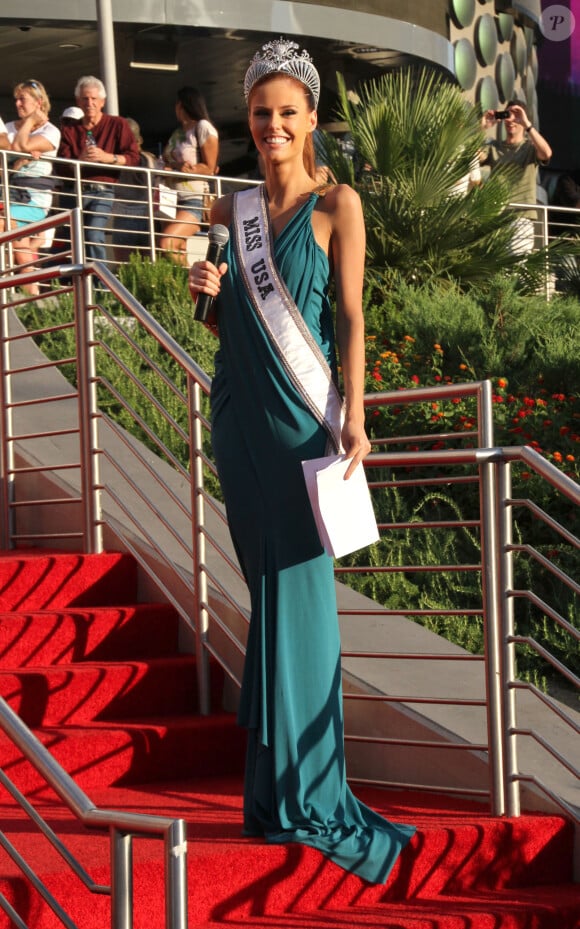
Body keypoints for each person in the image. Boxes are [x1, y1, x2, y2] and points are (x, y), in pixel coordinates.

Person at [188, 37, 415, 884]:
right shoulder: (234, 210)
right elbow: (231, 324)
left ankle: (309, 794)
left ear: (312, 117)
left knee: (302, 599)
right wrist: (208, 298)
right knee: (270, 598)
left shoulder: (338, 204)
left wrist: (356, 414)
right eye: (261, 112)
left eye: (288, 111)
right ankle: (275, 795)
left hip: (303, 428)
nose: (273, 124)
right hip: (239, 418)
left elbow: (350, 316)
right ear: (247, 119)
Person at [57, 76, 140, 261]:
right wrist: (79, 161)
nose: (89, 103)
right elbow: (60, 166)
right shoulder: (70, 129)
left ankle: (100, 278)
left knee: (93, 235)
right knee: (74, 242)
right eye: (85, 99)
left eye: (94, 98)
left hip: (103, 190)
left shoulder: (118, 124)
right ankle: (81, 278)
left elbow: (134, 158)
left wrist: (107, 158)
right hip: (76, 191)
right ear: (78, 101)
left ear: (102, 101)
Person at [0, 79, 61, 296]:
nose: (17, 104)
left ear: (38, 102)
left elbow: (17, 147)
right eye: (16, 99)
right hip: (8, 193)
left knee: (4, 225)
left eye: (22, 99)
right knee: (21, 245)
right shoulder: (8, 127)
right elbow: (15, 152)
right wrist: (18, 159)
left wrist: (30, 123)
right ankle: (31, 296)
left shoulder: (51, 131)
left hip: (34, 199)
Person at [480, 101, 552, 254]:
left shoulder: (529, 148)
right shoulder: (494, 147)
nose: (510, 120)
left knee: (516, 261)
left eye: (516, 116)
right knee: (495, 265)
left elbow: (546, 153)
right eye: (507, 115)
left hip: (521, 217)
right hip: (495, 217)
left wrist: (527, 125)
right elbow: (473, 157)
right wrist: (482, 128)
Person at [158, 86, 219, 264]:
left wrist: (185, 169)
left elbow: (210, 167)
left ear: (182, 105)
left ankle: (187, 278)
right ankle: (184, 280)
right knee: (178, 247)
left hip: (193, 199)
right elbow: (166, 159)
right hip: (171, 198)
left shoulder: (203, 127)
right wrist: (175, 166)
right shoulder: (178, 132)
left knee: (167, 243)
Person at [112, 117, 158, 263]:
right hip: (148, 217)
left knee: (123, 266)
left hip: (124, 217)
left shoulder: (117, 159)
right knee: (149, 266)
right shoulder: (151, 159)